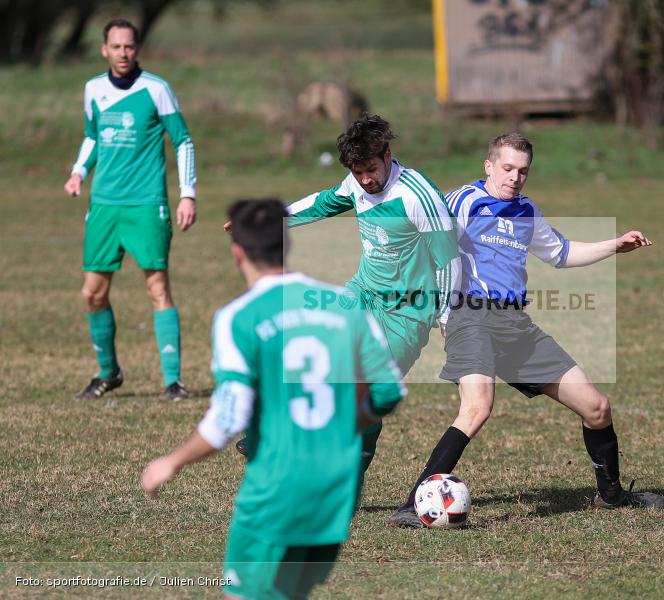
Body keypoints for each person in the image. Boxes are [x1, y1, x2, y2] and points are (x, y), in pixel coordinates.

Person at [389, 133, 664, 527]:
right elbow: (420, 240)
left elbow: (561, 253)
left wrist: (614, 245)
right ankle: (411, 505)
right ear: (488, 166)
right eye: (507, 168)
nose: (515, 177)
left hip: (516, 325)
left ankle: (613, 496)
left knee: (597, 407)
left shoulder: (526, 211)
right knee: (477, 407)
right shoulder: (462, 202)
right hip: (470, 318)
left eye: (523, 171)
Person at [142, 199, 405, 599]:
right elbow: (389, 391)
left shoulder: (239, 316)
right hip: (338, 488)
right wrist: (350, 421)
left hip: (277, 486)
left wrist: (171, 461)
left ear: (238, 252)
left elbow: (227, 418)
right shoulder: (345, 303)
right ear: (289, 244)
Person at [225, 115, 460, 485]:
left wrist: (448, 317)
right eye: (358, 171)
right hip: (362, 294)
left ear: (388, 154)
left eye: (370, 169)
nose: (365, 179)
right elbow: (324, 203)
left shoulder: (417, 194)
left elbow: (448, 259)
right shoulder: (356, 183)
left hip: (407, 313)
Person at [65, 19, 197, 401]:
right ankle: (109, 373)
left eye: (129, 46)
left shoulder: (157, 89)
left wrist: (187, 194)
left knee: (157, 287)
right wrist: (78, 173)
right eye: (116, 46)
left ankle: (173, 381)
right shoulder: (93, 89)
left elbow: (183, 141)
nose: (123, 53)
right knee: (92, 293)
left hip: (146, 204)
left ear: (136, 49)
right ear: (104, 49)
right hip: (104, 206)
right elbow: (93, 137)